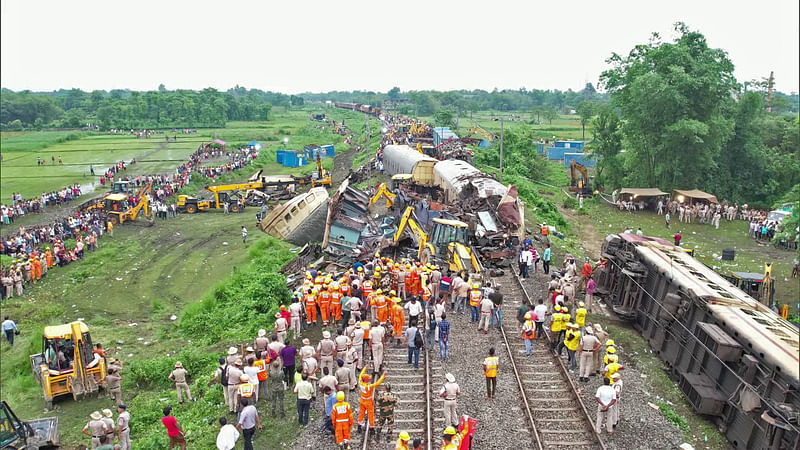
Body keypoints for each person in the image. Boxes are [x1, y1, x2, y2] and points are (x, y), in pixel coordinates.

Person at [357, 366, 386, 433]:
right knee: (371, 414)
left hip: (362, 400)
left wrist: (364, 368)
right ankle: (371, 428)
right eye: (368, 379)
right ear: (366, 380)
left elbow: (360, 375)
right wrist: (383, 377)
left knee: (361, 413)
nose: (369, 379)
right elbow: (377, 383)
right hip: (368, 402)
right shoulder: (369, 387)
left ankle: (359, 425)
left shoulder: (360, 383)